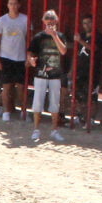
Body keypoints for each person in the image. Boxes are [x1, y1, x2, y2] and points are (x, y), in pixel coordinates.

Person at [27, 9, 67, 142]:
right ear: (44, 22)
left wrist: (54, 35)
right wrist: (31, 60)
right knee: (37, 102)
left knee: (55, 103)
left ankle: (54, 129)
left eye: (52, 21)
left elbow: (63, 51)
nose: (50, 24)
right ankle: (36, 129)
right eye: (47, 21)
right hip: (41, 73)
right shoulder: (39, 37)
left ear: (56, 22)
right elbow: (31, 52)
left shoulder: (60, 36)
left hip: (55, 74)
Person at [0, 0, 28, 121]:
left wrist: (29, 57)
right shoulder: (2, 20)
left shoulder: (25, 19)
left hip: (20, 58)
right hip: (6, 57)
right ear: (7, 5)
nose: (13, 6)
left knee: (21, 87)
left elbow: (29, 39)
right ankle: (6, 112)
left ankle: (23, 111)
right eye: (10, 4)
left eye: (15, 3)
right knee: (6, 86)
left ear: (19, 5)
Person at [73, 14, 102, 126]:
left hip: (93, 70)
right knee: (79, 95)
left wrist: (80, 41)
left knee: (92, 96)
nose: (86, 25)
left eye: (89, 22)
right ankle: (80, 117)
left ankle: (90, 119)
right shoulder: (82, 35)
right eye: (84, 23)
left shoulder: (98, 36)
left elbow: (93, 48)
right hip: (81, 70)